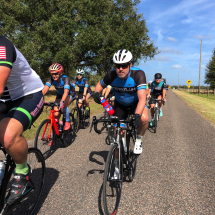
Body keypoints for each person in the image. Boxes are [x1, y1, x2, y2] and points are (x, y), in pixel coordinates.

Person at [0, 36, 44, 204]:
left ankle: (23, 172)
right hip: (5, 100)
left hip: (28, 95)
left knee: (8, 135)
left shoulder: (2, 46)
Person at [94, 49, 148, 179]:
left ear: (130, 64)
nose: (121, 68)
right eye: (118, 66)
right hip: (120, 105)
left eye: (124, 65)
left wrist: (137, 115)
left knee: (145, 119)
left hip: (136, 104)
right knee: (118, 134)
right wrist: (96, 93)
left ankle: (139, 139)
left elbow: (142, 98)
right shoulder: (111, 76)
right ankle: (117, 168)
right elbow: (99, 85)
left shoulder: (138, 74)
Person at [42, 63, 76, 131]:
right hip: (60, 95)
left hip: (70, 93)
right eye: (52, 74)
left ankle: (67, 121)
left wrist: (62, 102)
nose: (54, 76)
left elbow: (66, 92)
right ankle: (57, 129)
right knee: (56, 113)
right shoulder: (51, 79)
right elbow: (45, 89)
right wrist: (39, 98)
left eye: (56, 74)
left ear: (60, 73)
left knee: (64, 104)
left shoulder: (65, 79)